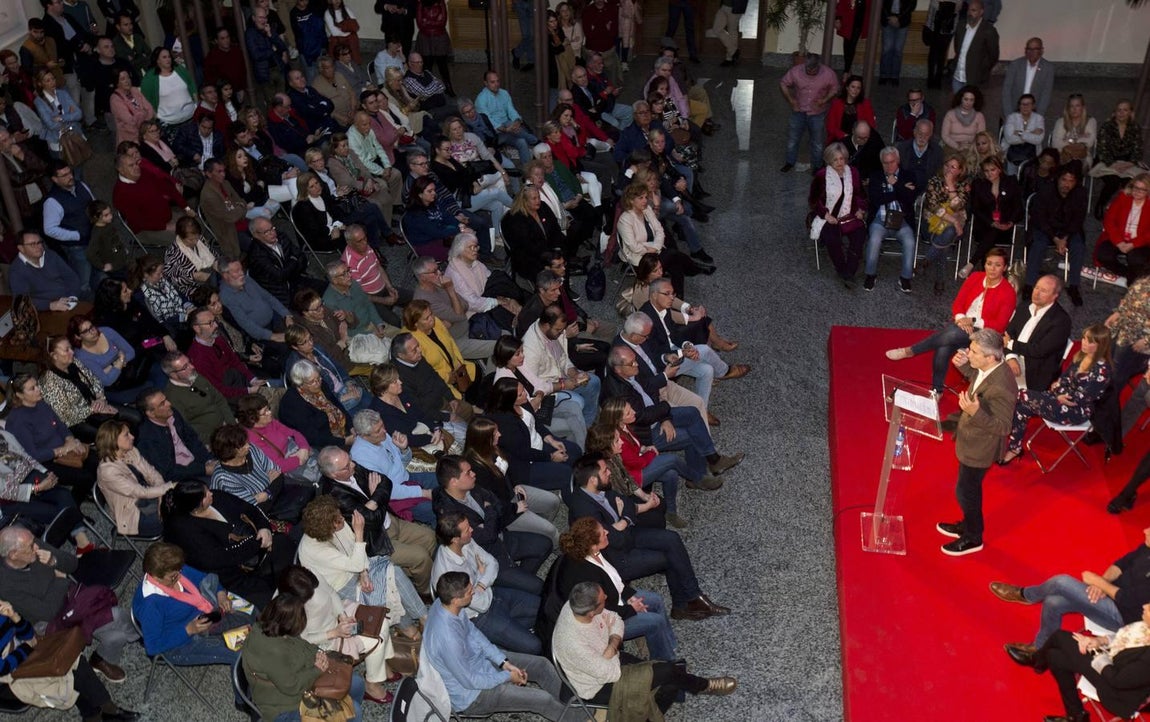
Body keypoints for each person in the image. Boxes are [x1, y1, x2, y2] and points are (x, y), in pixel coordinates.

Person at [566, 453, 731, 619]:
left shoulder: (600, 489)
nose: (609, 472)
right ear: (592, 480)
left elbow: (628, 504)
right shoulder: (583, 509)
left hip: (628, 536)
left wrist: (623, 522)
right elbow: (613, 540)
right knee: (669, 558)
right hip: (616, 558)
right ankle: (684, 605)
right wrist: (623, 521)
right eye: (604, 471)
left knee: (672, 539)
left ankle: (693, 597)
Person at [552, 581, 737, 716]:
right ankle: (705, 686)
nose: (607, 598)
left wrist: (611, 646)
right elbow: (611, 674)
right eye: (603, 600)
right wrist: (612, 645)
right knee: (669, 673)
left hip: (610, 662)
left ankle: (660, 705)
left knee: (670, 678)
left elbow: (616, 619)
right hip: (598, 686)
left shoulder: (576, 604)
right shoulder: (574, 643)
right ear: (592, 612)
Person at [422, 571, 575, 720]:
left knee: (542, 665)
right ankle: (580, 718)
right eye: (469, 592)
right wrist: (507, 676)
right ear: (456, 599)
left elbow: (474, 634)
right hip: (474, 695)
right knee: (543, 700)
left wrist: (504, 663)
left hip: (480, 662)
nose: (473, 592)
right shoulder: (447, 639)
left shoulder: (446, 605)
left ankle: (575, 703)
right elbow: (470, 681)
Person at [988, 528, 1150, 665]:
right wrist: (1103, 582)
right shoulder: (1147, 547)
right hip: (1109, 595)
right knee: (1053, 602)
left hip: (1122, 617)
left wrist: (1098, 582)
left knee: (1061, 582)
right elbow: (1122, 564)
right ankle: (1039, 651)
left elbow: (1126, 598)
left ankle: (1025, 595)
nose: (1145, 531)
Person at [0, 526, 140, 683]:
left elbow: (73, 564)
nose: (37, 547)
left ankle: (101, 659)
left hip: (73, 600)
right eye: (30, 546)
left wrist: (54, 561)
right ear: (13, 554)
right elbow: (47, 612)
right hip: (50, 623)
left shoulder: (33, 543)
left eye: (34, 541)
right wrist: (60, 582)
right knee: (117, 616)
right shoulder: (5, 585)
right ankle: (142, 636)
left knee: (116, 636)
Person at [934, 329, 1017, 556]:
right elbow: (979, 381)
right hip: (971, 440)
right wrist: (965, 367)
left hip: (980, 448)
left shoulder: (1003, 387)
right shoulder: (990, 368)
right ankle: (967, 525)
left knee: (966, 492)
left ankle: (973, 537)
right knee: (967, 489)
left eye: (974, 352)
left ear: (990, 357)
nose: (967, 353)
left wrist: (975, 412)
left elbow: (1004, 427)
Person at [886, 248, 1014, 391]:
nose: (992, 268)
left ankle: (911, 351)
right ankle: (937, 390)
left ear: (1005, 268)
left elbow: (1000, 325)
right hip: (962, 325)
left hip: (985, 334)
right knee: (943, 348)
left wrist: (972, 321)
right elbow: (958, 304)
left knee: (951, 335)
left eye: (998, 265)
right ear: (984, 264)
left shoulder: (1008, 292)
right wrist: (961, 319)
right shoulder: (975, 277)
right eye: (989, 264)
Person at [297, 496, 426, 638]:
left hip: (355, 569)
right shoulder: (314, 550)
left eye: (340, 514)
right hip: (341, 587)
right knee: (387, 590)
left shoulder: (336, 522)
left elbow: (354, 549)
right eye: (338, 520)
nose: (342, 519)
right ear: (327, 528)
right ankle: (412, 628)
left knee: (394, 573)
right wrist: (359, 533)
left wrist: (363, 573)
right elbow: (356, 558)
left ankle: (420, 619)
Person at [550, 517, 677, 660]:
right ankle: (665, 660)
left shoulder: (597, 552)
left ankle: (668, 645)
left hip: (616, 598)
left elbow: (614, 577)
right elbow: (601, 610)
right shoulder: (586, 575)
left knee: (656, 600)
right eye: (602, 533)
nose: (607, 532)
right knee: (655, 622)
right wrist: (631, 609)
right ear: (593, 545)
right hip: (605, 622)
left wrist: (629, 596)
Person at [316, 445, 438, 592]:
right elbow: (372, 521)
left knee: (430, 537)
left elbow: (386, 482)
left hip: (391, 521)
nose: (353, 465)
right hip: (378, 540)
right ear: (333, 474)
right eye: (346, 466)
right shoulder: (335, 496)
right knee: (421, 557)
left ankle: (417, 575)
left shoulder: (352, 468)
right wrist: (375, 496)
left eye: (350, 459)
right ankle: (425, 591)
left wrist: (373, 502)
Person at [0, 591, 138, 719]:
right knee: (62, 676)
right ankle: (100, 713)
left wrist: (15, 617)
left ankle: (103, 709)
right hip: (8, 680)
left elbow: (28, 634)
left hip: (23, 653)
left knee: (72, 659)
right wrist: (26, 648)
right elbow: (3, 667)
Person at [162, 480, 295, 610]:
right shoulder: (186, 530)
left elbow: (249, 509)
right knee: (275, 601)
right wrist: (256, 543)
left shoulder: (218, 497)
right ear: (196, 506)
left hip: (256, 548)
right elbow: (221, 558)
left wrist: (263, 527)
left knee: (292, 564)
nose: (211, 493)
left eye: (208, 489)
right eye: (206, 494)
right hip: (231, 573)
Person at [277, 565, 395, 706]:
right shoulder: (289, 610)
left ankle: (381, 665)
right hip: (326, 641)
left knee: (381, 622)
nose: (313, 595)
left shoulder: (310, 575)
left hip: (338, 616)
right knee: (377, 639)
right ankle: (372, 684)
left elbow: (332, 593)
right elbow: (303, 640)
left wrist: (343, 616)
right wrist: (334, 633)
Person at [429, 510, 543, 655]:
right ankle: (500, 640)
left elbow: (492, 562)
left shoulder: (465, 541)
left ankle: (505, 637)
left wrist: (481, 584)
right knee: (535, 646)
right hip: (479, 618)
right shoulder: (447, 574)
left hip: (493, 593)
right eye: (467, 529)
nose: (472, 530)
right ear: (455, 539)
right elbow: (482, 605)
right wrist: (482, 574)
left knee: (544, 607)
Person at [241, 592, 367, 721]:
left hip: (301, 675)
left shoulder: (274, 625)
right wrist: (317, 669)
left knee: (357, 684)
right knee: (355, 712)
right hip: (283, 705)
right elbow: (292, 686)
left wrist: (317, 653)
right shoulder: (273, 650)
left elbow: (301, 644)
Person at [999, 324, 1111, 466]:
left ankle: (995, 428)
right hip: (1058, 398)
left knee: (1021, 395)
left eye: (1090, 342)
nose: (1084, 343)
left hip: (1075, 411)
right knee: (1021, 407)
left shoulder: (1102, 371)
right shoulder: (1081, 356)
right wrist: (1059, 391)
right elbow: (1063, 380)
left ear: (1100, 346)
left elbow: (1079, 399)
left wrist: (1059, 393)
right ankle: (1014, 448)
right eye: (1084, 338)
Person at [132, 541, 253, 666]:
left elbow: (204, 578)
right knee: (239, 652)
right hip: (181, 643)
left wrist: (220, 593)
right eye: (173, 577)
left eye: (180, 570)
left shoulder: (175, 570)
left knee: (254, 615)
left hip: (205, 616)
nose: (179, 576)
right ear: (156, 578)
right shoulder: (150, 605)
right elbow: (153, 646)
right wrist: (188, 630)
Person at [464, 416, 561, 548]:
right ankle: (552, 544)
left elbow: (507, 470)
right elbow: (491, 502)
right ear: (484, 439)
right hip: (505, 512)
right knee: (551, 530)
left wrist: (516, 484)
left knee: (554, 501)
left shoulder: (493, 448)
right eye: (495, 433)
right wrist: (515, 508)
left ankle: (537, 532)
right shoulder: (475, 468)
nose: (500, 434)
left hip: (512, 493)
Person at [96, 419, 176, 537]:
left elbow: (152, 473)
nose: (132, 437)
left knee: (183, 501)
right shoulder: (108, 471)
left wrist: (161, 496)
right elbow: (140, 492)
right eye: (126, 435)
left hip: (149, 497)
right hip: (134, 515)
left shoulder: (131, 451)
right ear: (113, 441)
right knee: (176, 514)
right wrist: (168, 487)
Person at [1026, 164, 1089, 301]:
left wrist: (1065, 238)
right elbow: (1040, 218)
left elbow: (1078, 219)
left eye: (1071, 181)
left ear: (1076, 182)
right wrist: (1055, 238)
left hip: (1068, 229)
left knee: (1078, 246)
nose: (1067, 184)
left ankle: (1074, 286)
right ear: (1058, 179)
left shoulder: (1080, 193)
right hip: (1046, 228)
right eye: (1064, 180)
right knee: (1038, 244)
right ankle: (1029, 284)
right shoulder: (1045, 190)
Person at [1002, 275, 1073, 394]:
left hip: (1033, 370)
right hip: (1012, 357)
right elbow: (1008, 333)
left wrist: (1011, 344)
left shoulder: (1061, 321)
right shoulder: (1025, 306)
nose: (1036, 293)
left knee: (994, 381)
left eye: (1043, 291)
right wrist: (1011, 357)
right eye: (1036, 287)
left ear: (1055, 296)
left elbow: (1039, 350)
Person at [809, 142, 867, 288]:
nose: (839, 163)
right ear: (829, 161)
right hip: (829, 217)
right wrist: (826, 215)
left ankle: (850, 271)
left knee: (860, 234)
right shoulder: (822, 175)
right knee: (832, 238)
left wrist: (860, 209)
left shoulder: (853, 172)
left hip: (849, 215)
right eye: (835, 160)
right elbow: (813, 200)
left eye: (841, 158)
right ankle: (842, 270)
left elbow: (860, 195)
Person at [863, 146, 917, 292]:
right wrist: (900, 190)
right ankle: (870, 275)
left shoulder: (908, 176)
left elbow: (909, 199)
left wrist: (895, 184)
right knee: (874, 239)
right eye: (885, 163)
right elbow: (876, 199)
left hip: (902, 220)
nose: (889, 166)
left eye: (892, 162)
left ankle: (905, 278)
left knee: (910, 241)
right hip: (880, 219)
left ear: (898, 161)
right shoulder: (876, 176)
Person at [917, 154, 972, 294]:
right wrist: (955, 221)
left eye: (953, 167)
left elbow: (958, 207)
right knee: (947, 235)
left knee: (948, 233)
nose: (948, 169)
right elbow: (934, 207)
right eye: (947, 165)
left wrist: (951, 186)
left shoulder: (963, 185)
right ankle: (940, 280)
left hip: (952, 229)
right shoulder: (934, 181)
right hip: (931, 224)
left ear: (960, 170)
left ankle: (927, 260)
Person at [135, 389, 215, 483]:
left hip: (198, 463)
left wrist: (208, 460)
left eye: (166, 399)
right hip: (183, 477)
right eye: (162, 404)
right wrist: (204, 470)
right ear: (151, 413)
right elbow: (169, 472)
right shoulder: (148, 439)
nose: (169, 404)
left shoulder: (172, 413)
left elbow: (192, 439)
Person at [961, 156, 1021, 278]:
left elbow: (1018, 207)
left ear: (999, 169)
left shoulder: (1011, 182)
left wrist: (1011, 222)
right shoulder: (979, 184)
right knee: (991, 233)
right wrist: (991, 222)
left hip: (1005, 225)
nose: (989, 174)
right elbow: (976, 209)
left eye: (992, 170)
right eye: (986, 171)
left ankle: (972, 264)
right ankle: (988, 274)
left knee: (993, 234)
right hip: (985, 224)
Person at [779, 53, 839, 173]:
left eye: (814, 70)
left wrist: (824, 100)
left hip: (817, 113)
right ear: (805, 65)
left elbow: (835, 88)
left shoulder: (828, 73)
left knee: (817, 142)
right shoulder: (795, 71)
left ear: (819, 66)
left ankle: (817, 165)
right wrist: (791, 100)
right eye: (808, 69)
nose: (811, 72)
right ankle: (790, 162)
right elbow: (783, 83)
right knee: (793, 139)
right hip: (799, 111)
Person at [161, 352, 237, 446]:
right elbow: (187, 430)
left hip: (226, 425)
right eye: (185, 367)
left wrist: (231, 424)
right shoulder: (172, 397)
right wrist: (218, 439)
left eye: (189, 362)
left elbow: (219, 399)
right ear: (173, 375)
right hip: (213, 440)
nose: (192, 367)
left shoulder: (194, 376)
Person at [1090, 100, 1144, 218]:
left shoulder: (1135, 127)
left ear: (1130, 112)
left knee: (1129, 183)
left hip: (1127, 163)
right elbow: (1102, 149)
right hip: (1107, 161)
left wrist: (1128, 164)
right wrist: (1113, 164)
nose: (1121, 113)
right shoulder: (1106, 127)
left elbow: (1138, 150)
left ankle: (1124, 210)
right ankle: (1101, 204)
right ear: (1114, 112)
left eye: (1125, 110)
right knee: (1113, 182)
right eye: (1119, 110)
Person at [1096, 174, 1150, 286]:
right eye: (1135, 187)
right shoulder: (1123, 197)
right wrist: (1119, 242)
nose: (1137, 192)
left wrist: (1134, 244)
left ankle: (1134, 278)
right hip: (1118, 237)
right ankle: (1130, 274)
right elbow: (1109, 220)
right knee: (1103, 255)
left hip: (1141, 242)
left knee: (1136, 259)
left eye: (1142, 189)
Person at [475, 71, 536, 168]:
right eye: (492, 82)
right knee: (513, 127)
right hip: (494, 133)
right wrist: (506, 129)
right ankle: (535, 141)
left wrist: (517, 122)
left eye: (497, 81)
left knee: (522, 142)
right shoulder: (481, 99)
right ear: (486, 83)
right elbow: (489, 121)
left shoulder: (504, 93)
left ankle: (528, 170)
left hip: (509, 128)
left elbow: (511, 110)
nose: (496, 84)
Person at [950, 0, 998, 93]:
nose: (969, 13)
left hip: (974, 79)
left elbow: (993, 56)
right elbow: (957, 48)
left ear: (981, 12)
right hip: (957, 76)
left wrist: (981, 70)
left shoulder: (988, 31)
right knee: (957, 101)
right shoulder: (961, 26)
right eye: (968, 10)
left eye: (973, 10)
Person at [1001, 37, 1053, 120]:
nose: (1031, 52)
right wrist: (1009, 115)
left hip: (1035, 112)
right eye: (1029, 49)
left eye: (1035, 49)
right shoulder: (1015, 65)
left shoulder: (1048, 68)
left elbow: (1046, 94)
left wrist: (1038, 117)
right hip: (1014, 110)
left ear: (1041, 51)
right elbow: (1006, 90)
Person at [1051, 94, 1097, 171]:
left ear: (1082, 107)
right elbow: (1056, 144)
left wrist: (1066, 140)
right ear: (1068, 108)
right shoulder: (1060, 122)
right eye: (1071, 106)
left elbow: (1090, 142)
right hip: (1063, 156)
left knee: (1076, 162)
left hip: (1083, 157)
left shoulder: (1090, 121)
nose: (1074, 109)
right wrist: (1080, 138)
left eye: (1077, 106)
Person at [1002, 94, 1045, 175]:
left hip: (1032, 155)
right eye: (1022, 104)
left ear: (1033, 106)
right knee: (1011, 178)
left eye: (1028, 104)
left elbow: (1038, 139)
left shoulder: (1039, 118)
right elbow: (1010, 139)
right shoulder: (1011, 117)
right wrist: (1031, 133)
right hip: (1012, 154)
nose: (1025, 107)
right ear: (1019, 106)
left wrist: (1019, 133)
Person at [826, 75, 876, 144]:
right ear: (847, 87)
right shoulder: (836, 103)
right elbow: (830, 126)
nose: (855, 90)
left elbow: (871, 125)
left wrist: (859, 137)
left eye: (858, 88)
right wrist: (844, 136)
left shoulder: (865, 104)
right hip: (839, 138)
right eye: (853, 87)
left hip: (859, 140)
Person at [897, 118, 943, 194]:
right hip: (905, 187)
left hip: (927, 189)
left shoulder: (937, 151)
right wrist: (901, 184)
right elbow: (895, 170)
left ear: (931, 135)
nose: (922, 137)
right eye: (920, 133)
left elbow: (939, 173)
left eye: (926, 134)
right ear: (914, 132)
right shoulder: (902, 148)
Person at [877, 0, 916, 87]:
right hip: (887, 20)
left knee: (898, 50)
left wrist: (898, 18)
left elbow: (912, 5)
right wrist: (890, 17)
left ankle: (895, 76)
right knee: (887, 49)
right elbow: (881, 3)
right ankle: (884, 75)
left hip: (903, 21)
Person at [941, 85, 986, 155]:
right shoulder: (950, 114)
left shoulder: (979, 116)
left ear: (975, 101)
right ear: (960, 99)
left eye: (971, 100)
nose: (968, 103)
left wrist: (970, 147)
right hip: (951, 146)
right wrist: (957, 146)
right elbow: (945, 135)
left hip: (972, 148)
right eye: (966, 99)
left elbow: (980, 137)